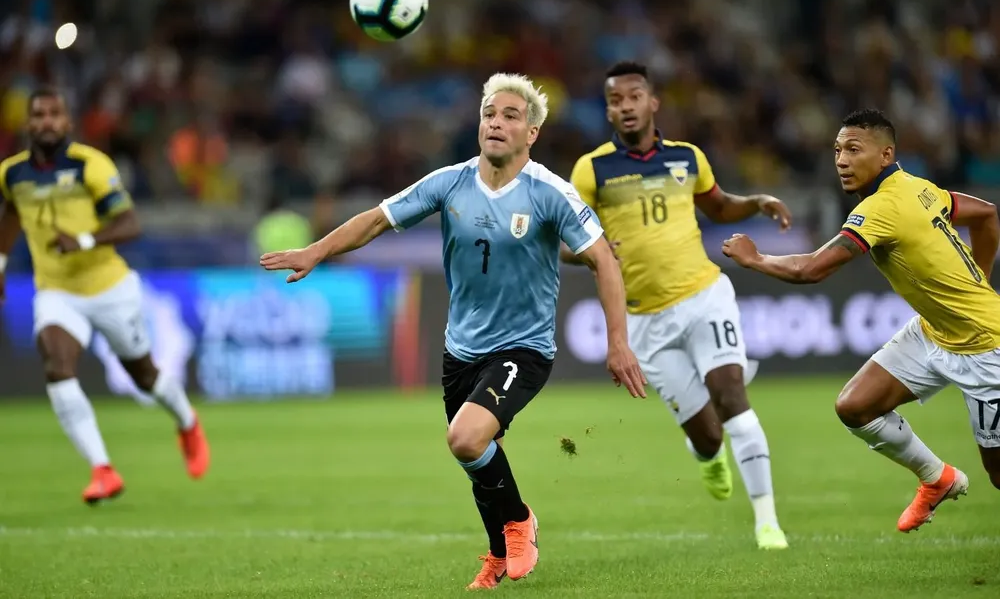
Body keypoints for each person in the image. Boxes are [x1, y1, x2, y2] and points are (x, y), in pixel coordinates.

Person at [261, 72, 646, 589]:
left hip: (523, 347)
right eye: (489, 113)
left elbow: (603, 259)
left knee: (465, 438)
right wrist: (316, 251)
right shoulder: (450, 182)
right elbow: (376, 219)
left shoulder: (550, 192)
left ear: (531, 132)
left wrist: (618, 343)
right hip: (461, 348)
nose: (496, 122)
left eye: (510, 116)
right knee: (479, 455)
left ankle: (520, 522)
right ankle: (497, 554)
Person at [722, 108, 1000, 532]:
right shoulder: (919, 187)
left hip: (985, 348)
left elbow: (812, 269)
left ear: (886, 155)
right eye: (837, 150)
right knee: (856, 406)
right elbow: (987, 214)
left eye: (853, 149)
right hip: (935, 332)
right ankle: (936, 478)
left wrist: (755, 258)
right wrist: (980, 279)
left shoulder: (883, 206)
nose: (841, 160)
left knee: (998, 474)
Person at [563, 61, 791, 550]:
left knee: (732, 398)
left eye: (634, 97)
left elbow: (719, 206)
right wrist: (588, 253)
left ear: (653, 103)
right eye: (616, 100)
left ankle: (767, 522)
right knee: (708, 436)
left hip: (705, 297)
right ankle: (708, 456)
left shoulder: (688, 157)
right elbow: (564, 240)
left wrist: (756, 202)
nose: (626, 107)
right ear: (608, 111)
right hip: (645, 321)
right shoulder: (592, 170)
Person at [0, 88, 210, 504]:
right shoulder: (12, 173)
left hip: (109, 288)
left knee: (144, 376)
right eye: (38, 114)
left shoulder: (90, 165)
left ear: (67, 122)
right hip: (56, 292)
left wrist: (82, 239)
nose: (46, 121)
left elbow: (130, 224)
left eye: (54, 114)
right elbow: (10, 212)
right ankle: (103, 470)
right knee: (57, 366)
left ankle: (187, 422)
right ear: (28, 123)